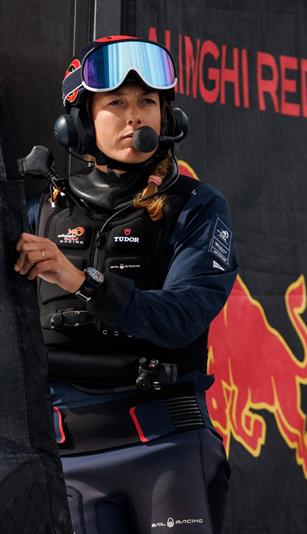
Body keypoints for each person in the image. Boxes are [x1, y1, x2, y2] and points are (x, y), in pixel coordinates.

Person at [14, 35, 237, 534]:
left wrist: (79, 281)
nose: (136, 116)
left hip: (165, 452)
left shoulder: (197, 207)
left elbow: (180, 319)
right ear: (79, 122)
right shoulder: (40, 210)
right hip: (65, 460)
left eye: (147, 102)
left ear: (168, 118)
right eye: (117, 102)